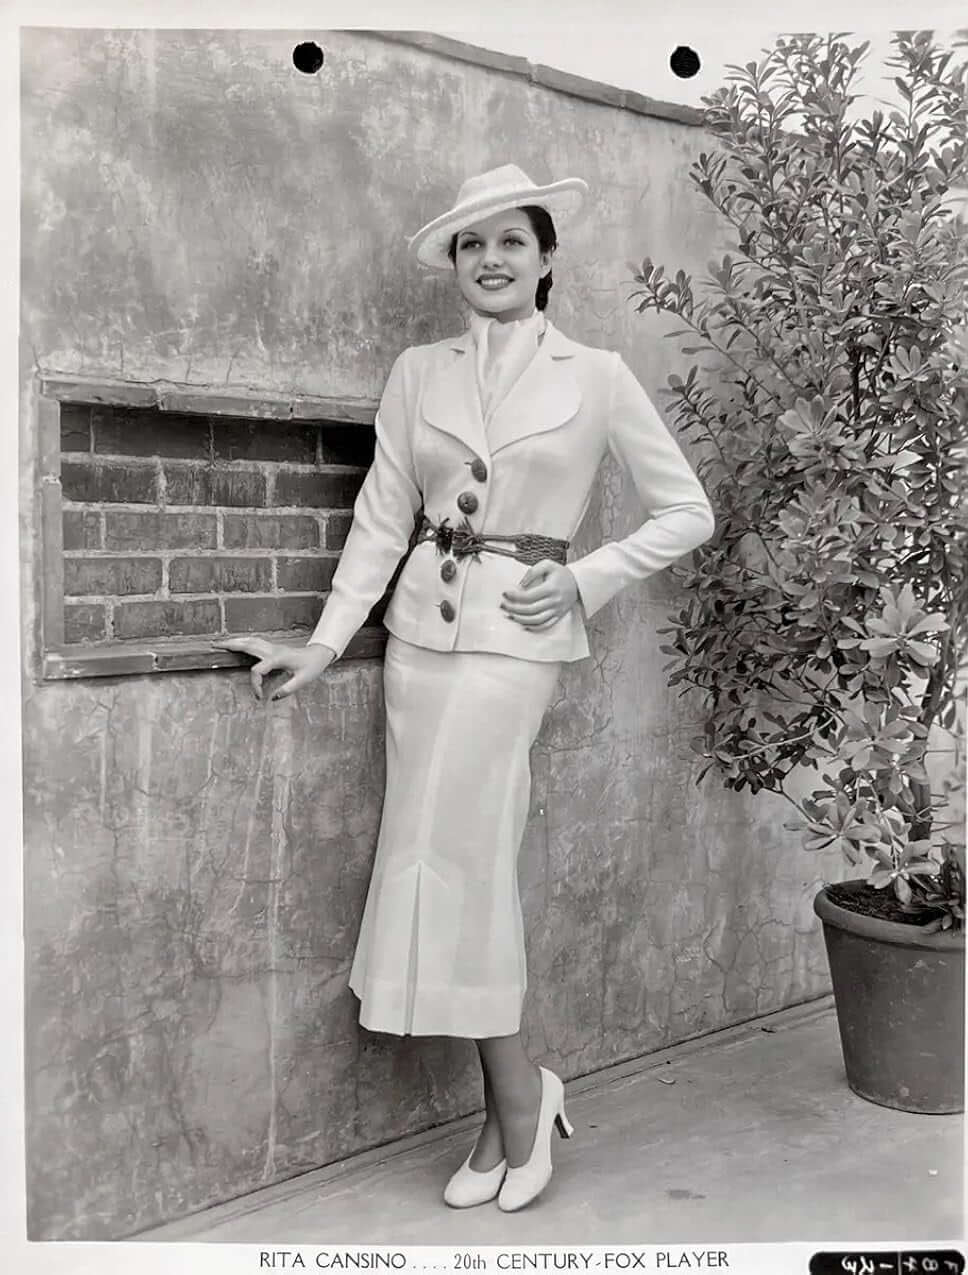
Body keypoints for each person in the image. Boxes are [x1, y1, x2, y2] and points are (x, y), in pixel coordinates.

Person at [214, 163, 714, 1212]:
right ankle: (507, 1107)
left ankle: (522, 1095)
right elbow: (381, 516)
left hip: (511, 649)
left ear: (546, 258)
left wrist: (582, 579)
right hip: (416, 645)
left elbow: (686, 512)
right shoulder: (417, 372)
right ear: (454, 263)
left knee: (475, 864)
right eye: (470, 244)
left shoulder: (597, 375)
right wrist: (324, 643)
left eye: (511, 241)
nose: (490, 259)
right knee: (426, 860)